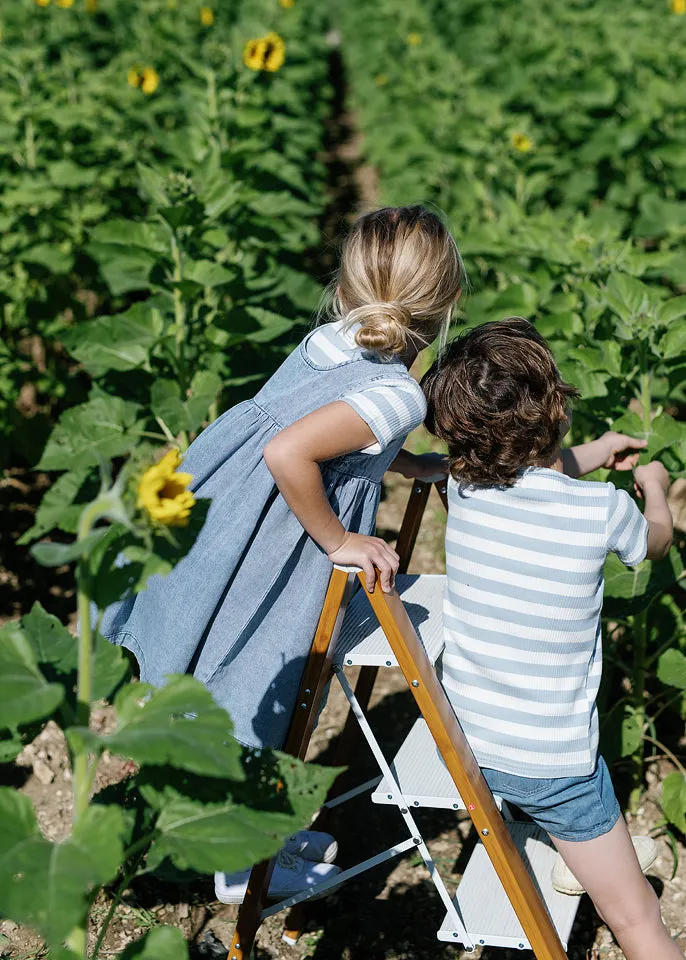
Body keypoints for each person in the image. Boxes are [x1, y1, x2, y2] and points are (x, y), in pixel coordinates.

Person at [101, 205, 464, 902]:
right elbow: (289, 448)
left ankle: (246, 824)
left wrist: (398, 463)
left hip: (237, 518)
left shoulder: (339, 339)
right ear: (446, 302)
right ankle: (238, 865)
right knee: (263, 680)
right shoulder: (397, 393)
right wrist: (339, 538)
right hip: (286, 544)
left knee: (231, 662)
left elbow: (326, 429)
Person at [423, 318, 680, 960]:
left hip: (469, 741)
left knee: (560, 817)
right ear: (555, 408)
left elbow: (529, 472)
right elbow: (656, 541)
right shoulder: (602, 511)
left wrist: (593, 452)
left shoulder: (462, 485)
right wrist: (651, 488)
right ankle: (595, 858)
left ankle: (579, 851)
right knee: (639, 919)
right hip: (553, 764)